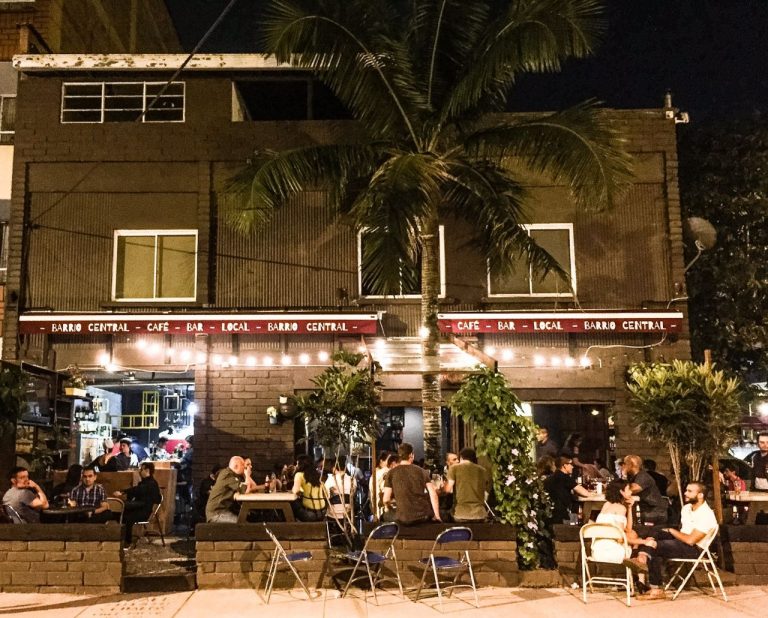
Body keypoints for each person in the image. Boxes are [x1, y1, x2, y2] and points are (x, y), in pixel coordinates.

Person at [632, 482, 718, 601]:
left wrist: (671, 531)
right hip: (681, 541)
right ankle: (644, 554)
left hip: (695, 549)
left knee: (656, 546)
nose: (685, 493)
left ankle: (655, 587)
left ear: (700, 495)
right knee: (655, 532)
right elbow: (683, 532)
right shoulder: (687, 508)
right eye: (686, 490)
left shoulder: (706, 515)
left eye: (689, 491)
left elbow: (691, 540)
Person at [591, 480, 655, 563]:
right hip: (612, 552)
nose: (631, 492)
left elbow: (628, 529)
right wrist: (644, 541)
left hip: (597, 551)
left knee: (632, 534)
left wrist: (629, 508)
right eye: (628, 489)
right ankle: (638, 571)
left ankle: (637, 571)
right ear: (621, 492)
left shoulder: (606, 504)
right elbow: (620, 539)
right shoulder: (620, 508)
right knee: (641, 543)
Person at [382, 443, 441, 525]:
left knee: (386, 515)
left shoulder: (391, 473)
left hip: (402, 518)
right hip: (423, 516)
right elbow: (433, 494)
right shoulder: (422, 471)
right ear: (411, 455)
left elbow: (386, 499)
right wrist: (437, 516)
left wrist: (390, 508)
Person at [114, 462, 162, 544]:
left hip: (144, 512)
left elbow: (137, 490)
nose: (140, 471)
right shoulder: (145, 482)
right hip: (139, 508)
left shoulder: (151, 484)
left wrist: (123, 492)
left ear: (147, 470)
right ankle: (120, 538)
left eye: (141, 469)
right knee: (119, 514)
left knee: (127, 518)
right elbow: (136, 491)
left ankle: (127, 542)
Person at [206, 456, 258, 523]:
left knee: (246, 522)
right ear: (236, 466)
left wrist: (245, 475)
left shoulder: (233, 475)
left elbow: (252, 488)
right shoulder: (227, 474)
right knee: (243, 525)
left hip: (223, 511)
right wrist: (247, 475)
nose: (245, 467)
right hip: (216, 513)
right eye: (242, 464)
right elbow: (245, 490)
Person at [444, 447, 490, 523]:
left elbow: (448, 490)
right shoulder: (483, 470)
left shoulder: (454, 468)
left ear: (461, 457)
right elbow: (485, 491)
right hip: (480, 514)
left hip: (461, 514)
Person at [543, 456, 591, 524]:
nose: (572, 467)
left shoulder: (552, 477)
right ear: (564, 465)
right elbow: (585, 493)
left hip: (551, 513)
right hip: (563, 514)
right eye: (570, 464)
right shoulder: (564, 477)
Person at [624, 455, 668, 525]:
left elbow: (632, 489)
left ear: (631, 465)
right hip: (646, 510)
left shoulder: (643, 476)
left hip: (654, 512)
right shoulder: (634, 477)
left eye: (625, 464)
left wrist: (623, 475)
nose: (623, 466)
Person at [291, 457, 327, 521]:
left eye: (297, 464)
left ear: (301, 465)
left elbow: (295, 491)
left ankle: (293, 526)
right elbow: (326, 494)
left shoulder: (299, 475)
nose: (296, 466)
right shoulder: (318, 474)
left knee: (292, 503)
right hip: (323, 512)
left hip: (309, 514)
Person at [325, 455, 355, 520]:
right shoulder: (352, 479)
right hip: (348, 511)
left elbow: (326, 495)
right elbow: (353, 494)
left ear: (334, 468)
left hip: (333, 513)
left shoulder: (331, 479)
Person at [369, 450, 389, 518]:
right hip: (381, 507)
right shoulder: (383, 473)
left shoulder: (375, 473)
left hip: (376, 506)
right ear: (381, 461)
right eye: (388, 460)